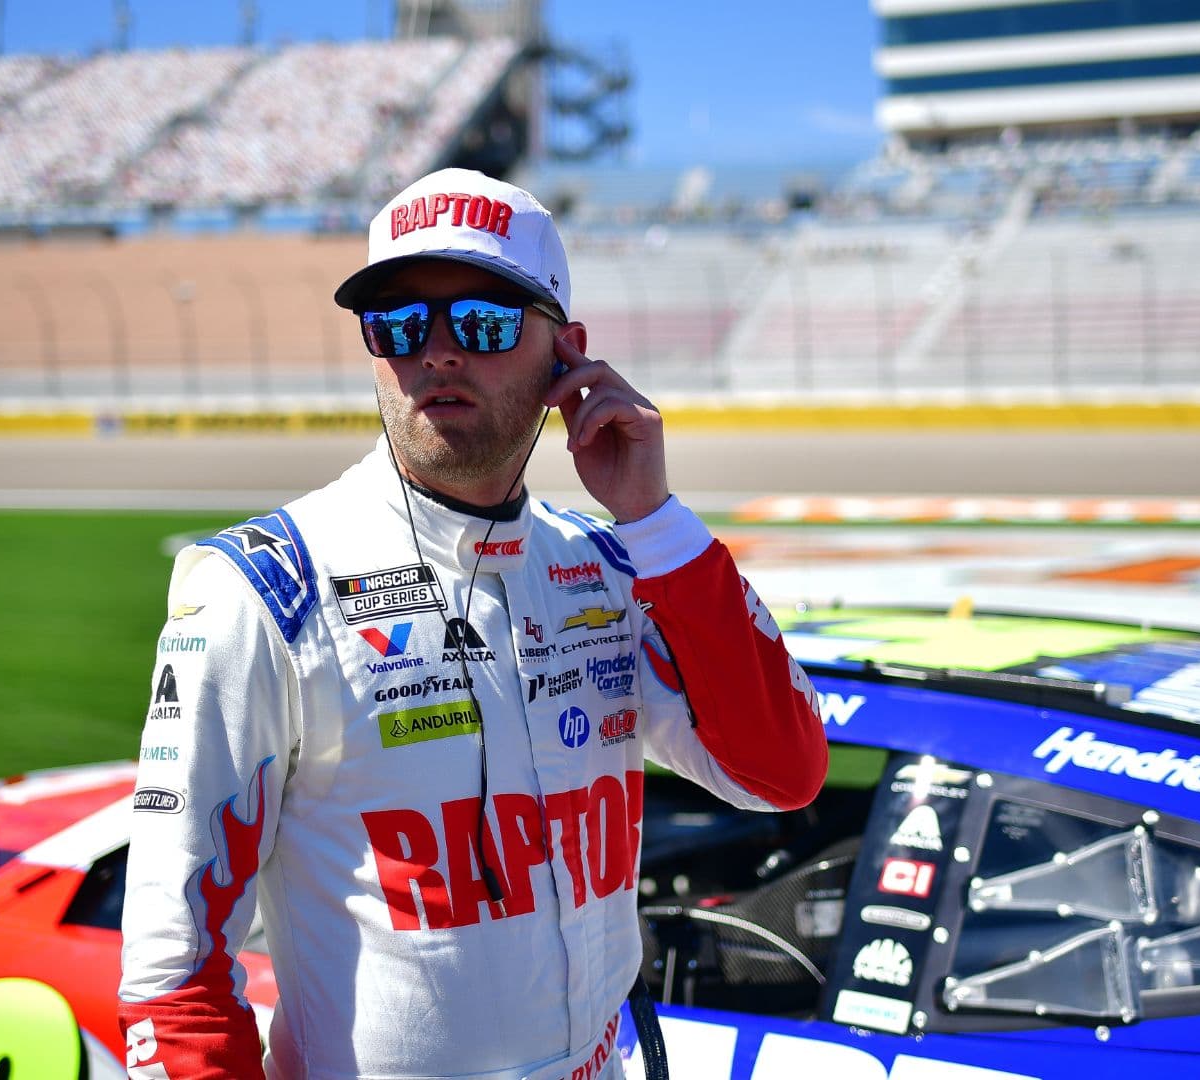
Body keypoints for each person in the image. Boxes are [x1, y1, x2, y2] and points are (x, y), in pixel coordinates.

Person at [118, 168, 828, 1080]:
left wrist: (656, 522)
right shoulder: (264, 591)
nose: (437, 353)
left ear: (565, 356)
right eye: (400, 324)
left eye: (484, 323)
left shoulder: (607, 570)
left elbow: (782, 772)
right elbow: (174, 977)